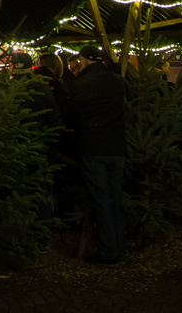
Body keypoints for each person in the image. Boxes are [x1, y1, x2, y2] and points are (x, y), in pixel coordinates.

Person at [67, 46, 127, 266]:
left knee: (101, 200)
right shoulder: (118, 81)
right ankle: (119, 248)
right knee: (115, 198)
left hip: (93, 147)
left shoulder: (81, 84)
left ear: (85, 61)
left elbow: (72, 116)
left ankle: (109, 252)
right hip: (117, 147)